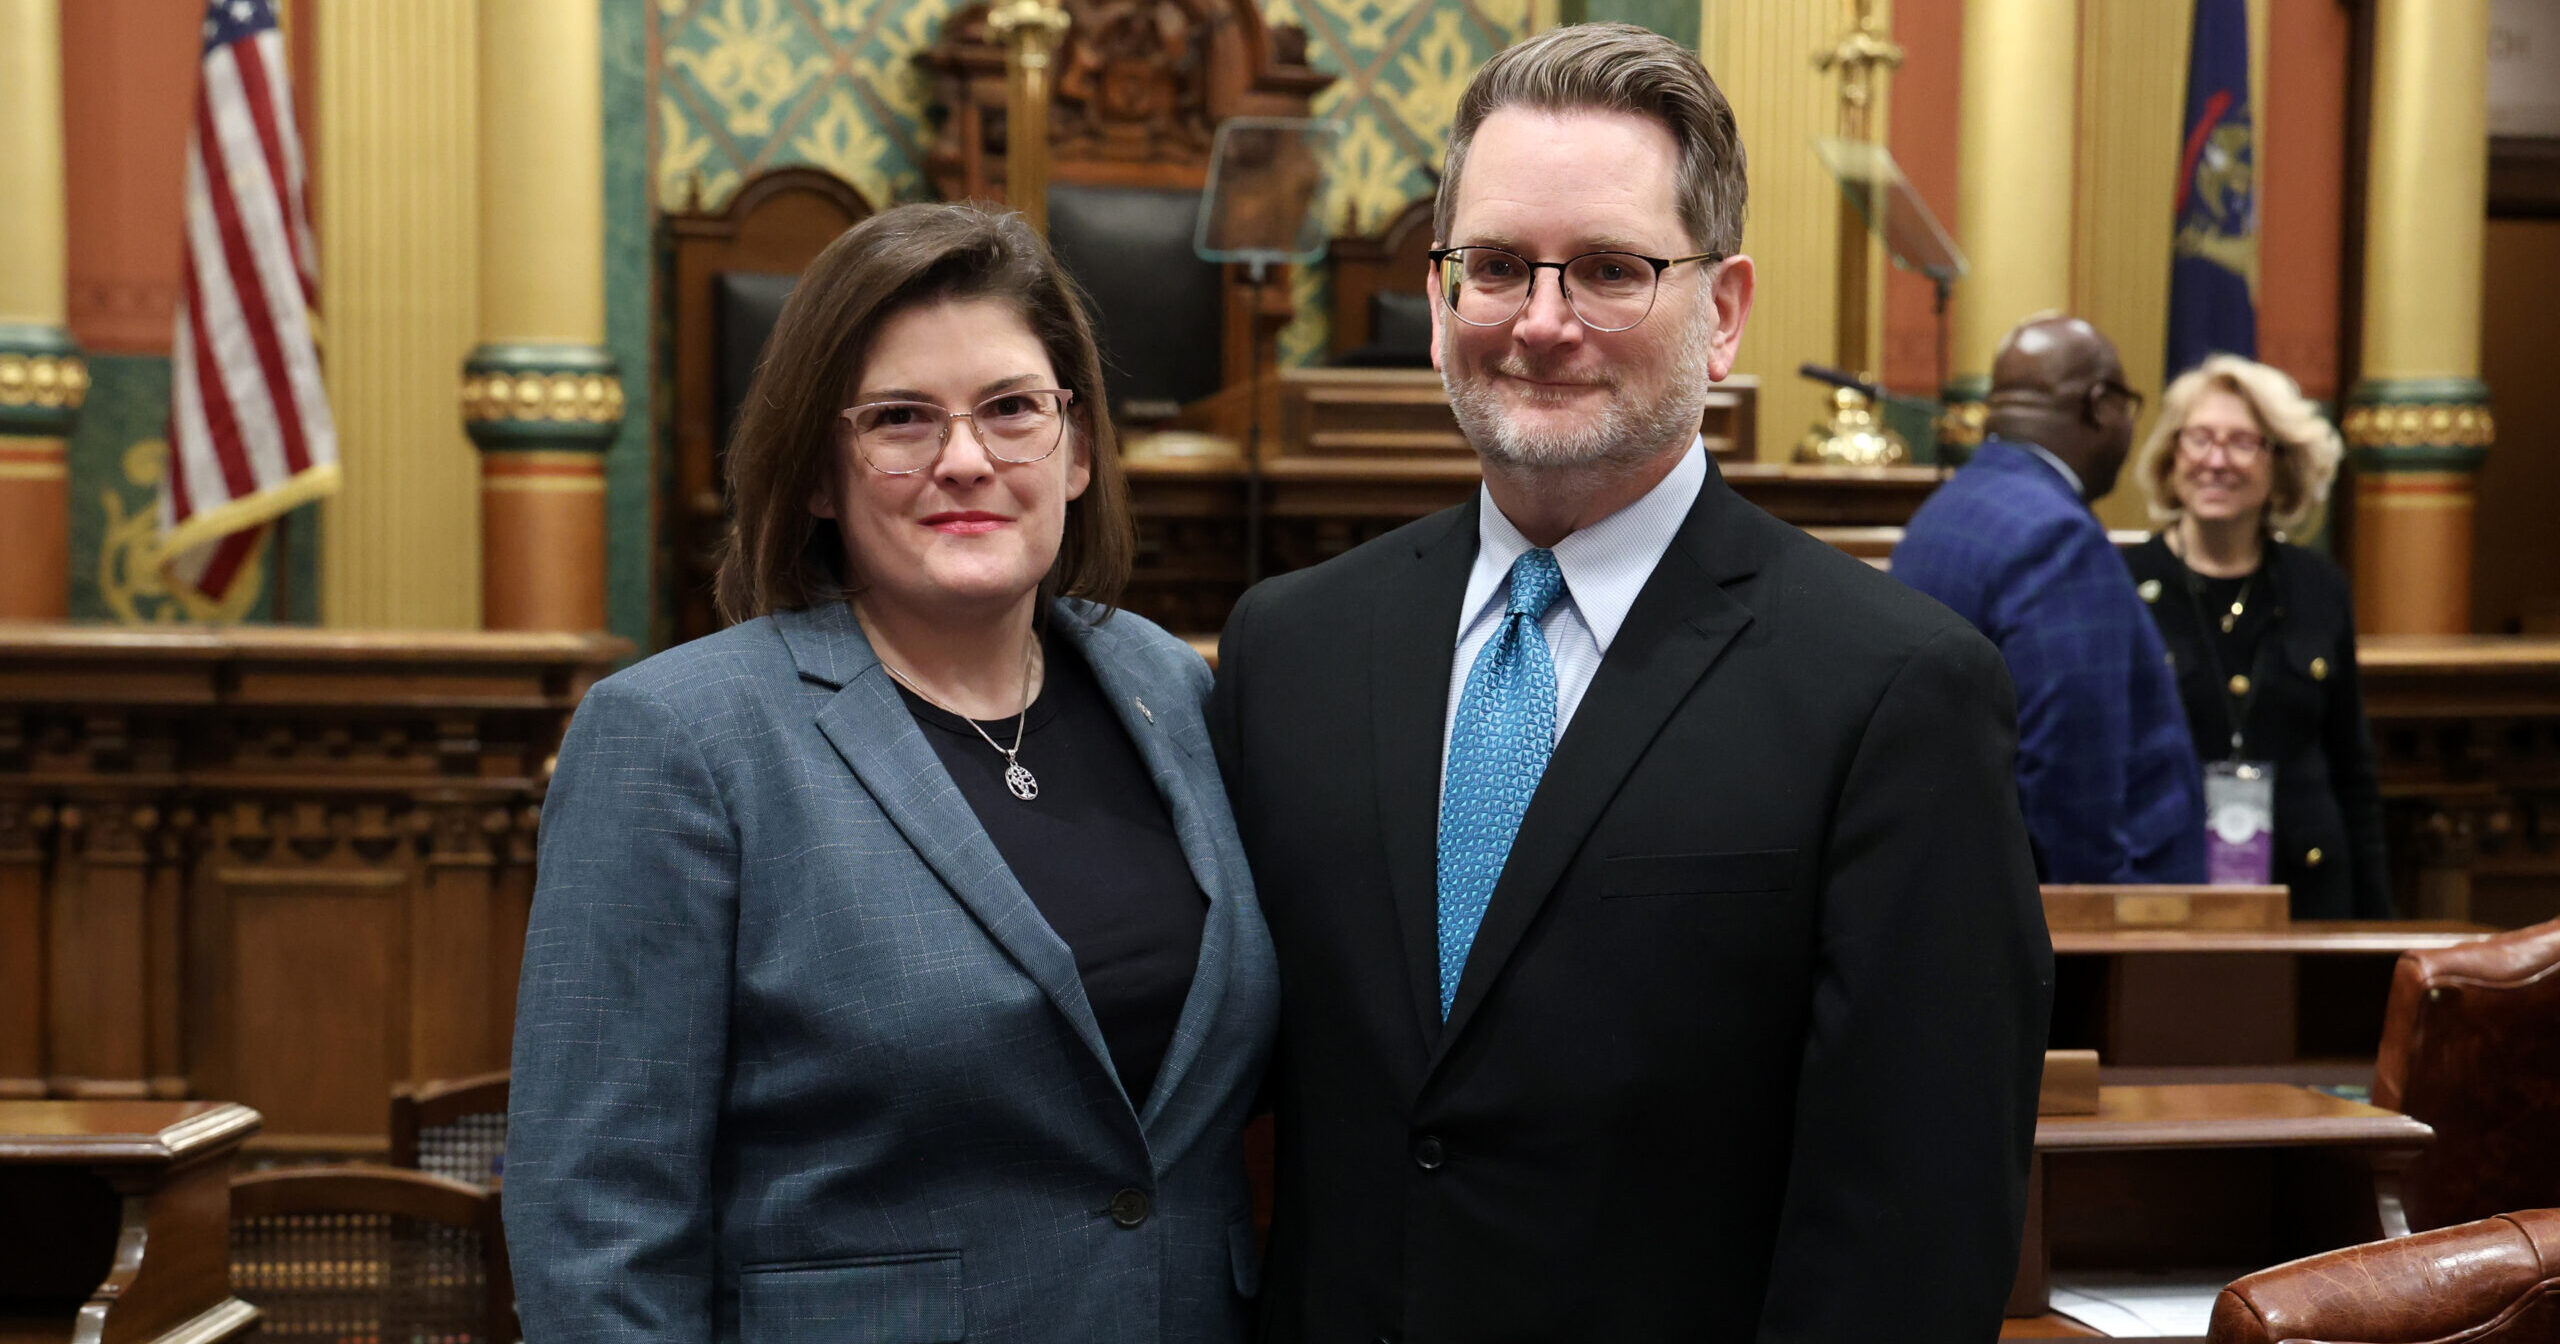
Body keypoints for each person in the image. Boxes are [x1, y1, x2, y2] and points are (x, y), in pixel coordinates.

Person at [1207, 24, 2052, 1342]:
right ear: (1440, 303)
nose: (1542, 323)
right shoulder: (1290, 650)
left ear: (1721, 314)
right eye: (1495, 268)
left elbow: (1913, 1222)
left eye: (1609, 269)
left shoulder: (1895, 691)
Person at [505, 202, 1277, 1344]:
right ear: (820, 474)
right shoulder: (680, 739)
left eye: (1013, 410)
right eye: (901, 419)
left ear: (1077, 451)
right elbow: (597, 1221)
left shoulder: (1171, 686)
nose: (965, 461)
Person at [1893, 314, 2210, 885]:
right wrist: (2101, 923)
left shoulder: (1941, 516)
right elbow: (2072, 776)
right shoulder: (2058, 539)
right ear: (2100, 406)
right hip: (2079, 928)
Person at [2124, 354, 2389, 917]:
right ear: (2172, 456)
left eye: (2243, 442)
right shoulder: (2124, 583)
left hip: (2308, 895)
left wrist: (2375, 922)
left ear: (2282, 465)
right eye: (2199, 439)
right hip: (2168, 894)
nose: (2216, 461)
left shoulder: (2319, 586)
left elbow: (2352, 767)